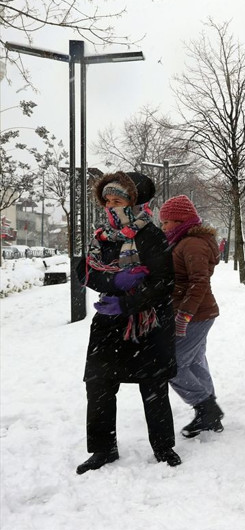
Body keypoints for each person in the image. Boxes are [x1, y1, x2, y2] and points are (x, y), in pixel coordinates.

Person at [76, 171, 180, 474]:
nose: (111, 205)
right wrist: (113, 280)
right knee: (98, 387)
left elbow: (164, 282)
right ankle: (103, 449)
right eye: (107, 199)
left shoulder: (151, 234)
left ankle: (163, 447)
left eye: (118, 199)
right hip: (108, 325)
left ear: (134, 201)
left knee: (153, 389)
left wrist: (127, 301)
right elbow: (87, 272)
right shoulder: (102, 235)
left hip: (147, 326)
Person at [159, 195, 224, 438]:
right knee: (194, 360)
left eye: (167, 222)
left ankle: (206, 409)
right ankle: (209, 413)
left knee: (172, 365)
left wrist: (184, 315)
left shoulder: (192, 244)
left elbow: (199, 282)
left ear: (181, 221)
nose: (163, 227)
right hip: (197, 312)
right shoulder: (185, 241)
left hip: (195, 314)